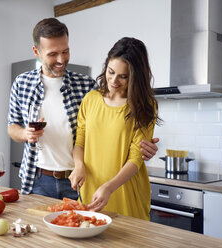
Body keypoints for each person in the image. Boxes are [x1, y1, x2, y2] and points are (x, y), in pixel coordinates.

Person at [7, 18, 159, 199]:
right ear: (36, 52)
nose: (61, 59)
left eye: (65, 51)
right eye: (53, 54)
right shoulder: (21, 83)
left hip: (79, 180)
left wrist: (142, 148)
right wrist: (25, 134)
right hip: (37, 179)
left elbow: (114, 119)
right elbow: (12, 126)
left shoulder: (87, 85)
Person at [69, 37, 161, 220]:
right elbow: (80, 142)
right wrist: (79, 166)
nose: (113, 80)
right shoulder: (91, 99)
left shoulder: (145, 105)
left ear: (136, 77)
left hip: (125, 194)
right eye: (110, 72)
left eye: (123, 76)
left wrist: (109, 187)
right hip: (92, 192)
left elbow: (136, 158)